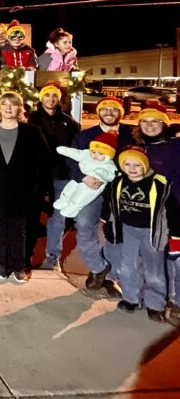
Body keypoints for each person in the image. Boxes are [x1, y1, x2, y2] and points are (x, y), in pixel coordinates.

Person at [102, 145, 178, 323]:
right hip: (128, 230)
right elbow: (110, 202)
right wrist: (106, 220)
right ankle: (131, 298)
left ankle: (155, 304)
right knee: (128, 266)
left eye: (137, 165)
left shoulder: (159, 183)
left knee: (154, 270)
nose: (132, 169)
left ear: (145, 165)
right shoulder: (118, 182)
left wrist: (175, 232)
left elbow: (172, 210)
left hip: (151, 232)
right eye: (127, 164)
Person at [0, 91, 50, 283]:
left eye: (13, 104)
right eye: (5, 104)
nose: (9, 108)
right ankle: (2, 264)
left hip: (23, 192)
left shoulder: (31, 132)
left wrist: (37, 190)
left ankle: (19, 265)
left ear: (20, 108)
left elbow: (43, 162)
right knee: (0, 228)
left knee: (20, 229)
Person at [69, 95, 134, 294]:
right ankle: (98, 267)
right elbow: (72, 161)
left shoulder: (132, 135)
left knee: (116, 235)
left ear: (121, 113)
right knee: (84, 225)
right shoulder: (85, 136)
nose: (109, 113)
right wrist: (83, 177)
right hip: (92, 190)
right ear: (98, 112)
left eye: (114, 109)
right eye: (104, 109)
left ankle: (111, 277)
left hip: (120, 193)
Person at [131, 101, 180, 326]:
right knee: (146, 258)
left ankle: (174, 300)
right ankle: (148, 297)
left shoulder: (175, 146)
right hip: (143, 214)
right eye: (145, 121)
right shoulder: (134, 148)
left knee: (174, 258)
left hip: (173, 211)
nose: (149, 125)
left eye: (155, 121)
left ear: (164, 123)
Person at [28, 82, 79, 273]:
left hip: (61, 174)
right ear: (41, 98)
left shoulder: (68, 122)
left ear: (59, 99)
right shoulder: (31, 119)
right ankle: (28, 255)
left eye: (54, 96)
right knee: (32, 215)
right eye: (47, 95)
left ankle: (53, 257)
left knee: (58, 216)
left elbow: (75, 150)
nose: (51, 99)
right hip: (37, 174)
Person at [54, 132, 118, 218]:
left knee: (81, 197)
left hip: (93, 185)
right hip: (80, 178)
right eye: (94, 152)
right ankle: (64, 200)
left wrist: (102, 173)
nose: (95, 155)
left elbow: (111, 176)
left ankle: (73, 208)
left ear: (108, 155)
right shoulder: (87, 154)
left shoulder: (109, 165)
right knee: (69, 189)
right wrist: (66, 151)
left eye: (100, 153)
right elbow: (77, 153)